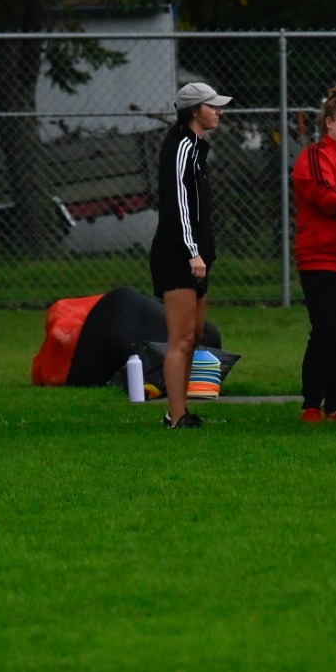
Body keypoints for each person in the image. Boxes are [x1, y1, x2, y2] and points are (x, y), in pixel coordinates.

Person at [151, 81, 229, 429]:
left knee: (196, 333)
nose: (219, 111)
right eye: (212, 106)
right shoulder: (182, 146)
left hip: (197, 258)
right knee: (181, 338)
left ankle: (179, 411)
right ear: (194, 111)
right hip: (178, 257)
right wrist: (192, 252)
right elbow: (178, 204)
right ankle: (176, 415)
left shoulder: (198, 148)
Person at [292, 85, 336, 423]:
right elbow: (325, 198)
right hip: (321, 258)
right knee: (326, 331)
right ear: (330, 123)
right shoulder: (314, 156)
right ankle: (311, 403)